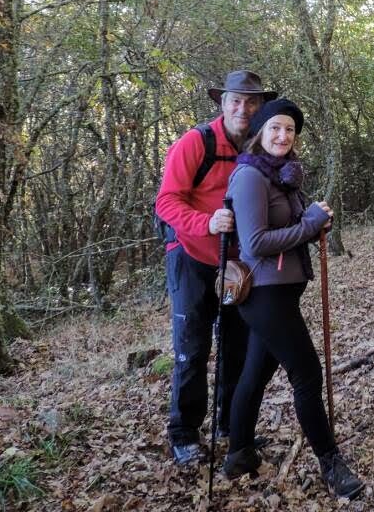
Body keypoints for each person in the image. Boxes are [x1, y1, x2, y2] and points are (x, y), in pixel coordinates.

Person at [223, 97, 364, 500]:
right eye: (275, 128)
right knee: (307, 375)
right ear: (260, 133)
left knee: (256, 373)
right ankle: (331, 464)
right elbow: (255, 242)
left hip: (280, 293)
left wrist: (315, 223)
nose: (283, 136)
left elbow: (293, 225)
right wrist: (309, 225)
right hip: (264, 295)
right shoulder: (251, 176)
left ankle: (239, 453)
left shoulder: (283, 176)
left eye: (289, 130)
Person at [155, 70, 277, 466]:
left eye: (251, 101)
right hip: (191, 257)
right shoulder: (196, 142)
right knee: (192, 348)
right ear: (222, 103)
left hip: (238, 265)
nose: (243, 108)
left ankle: (231, 425)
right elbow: (166, 201)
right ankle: (184, 433)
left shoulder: (261, 146)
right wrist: (205, 223)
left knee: (236, 347)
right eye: (235, 101)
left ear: (260, 106)